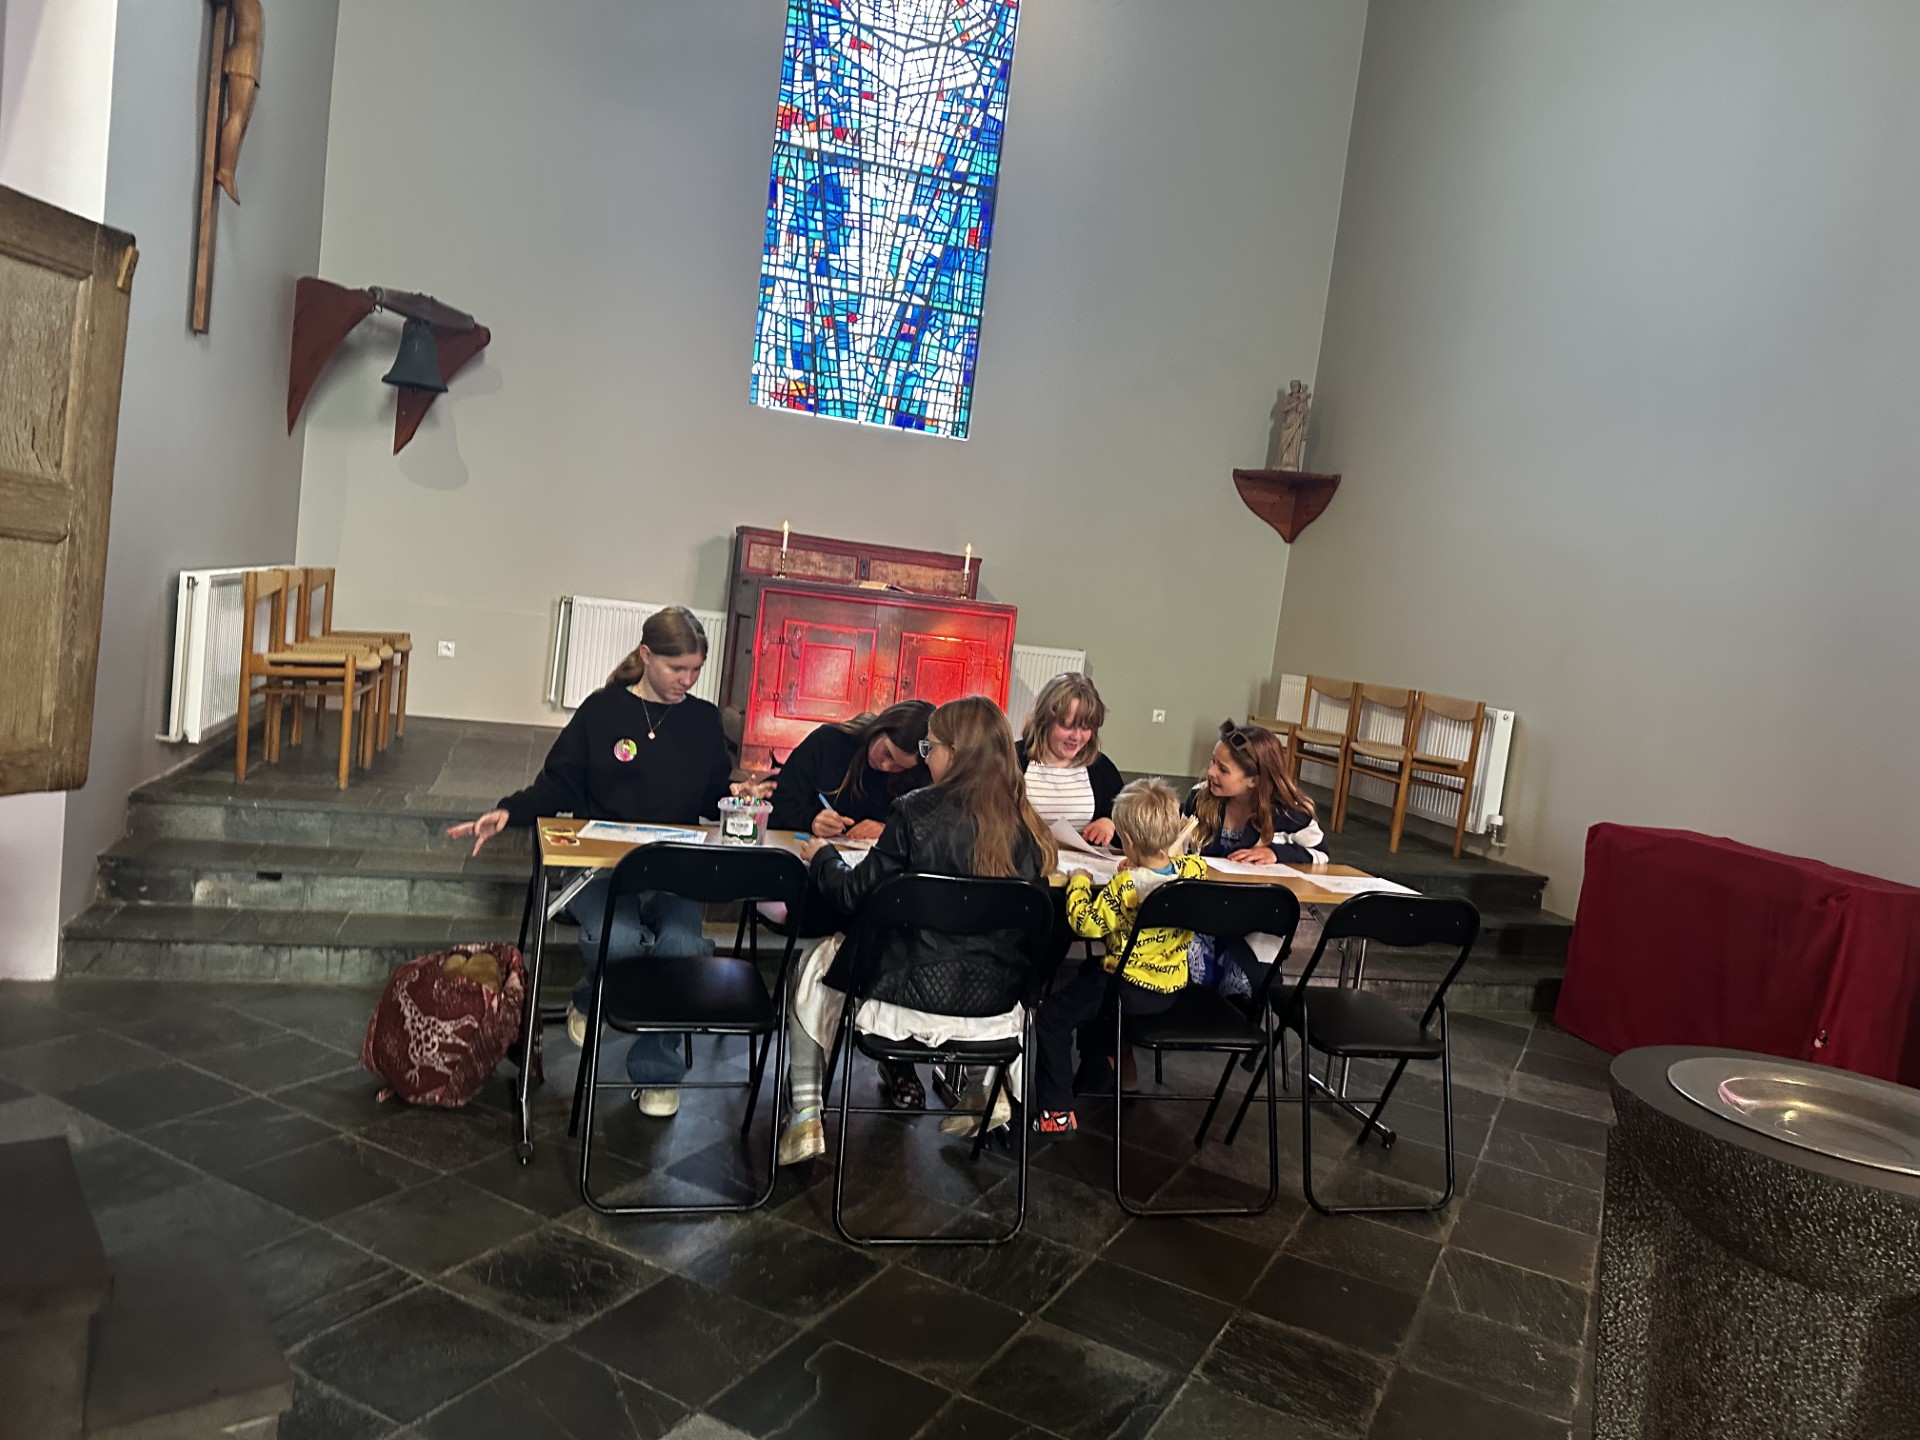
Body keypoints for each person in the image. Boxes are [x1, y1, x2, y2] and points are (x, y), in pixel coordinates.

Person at [445, 606, 737, 1119]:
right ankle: (590, 997)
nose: (687, 680)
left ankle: (658, 1070)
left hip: (670, 868)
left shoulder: (703, 720)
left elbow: (715, 795)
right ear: (646, 656)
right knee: (618, 939)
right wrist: (510, 811)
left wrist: (739, 800)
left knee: (682, 946)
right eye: (677, 668)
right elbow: (559, 783)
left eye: (696, 669)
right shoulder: (603, 711)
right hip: (601, 869)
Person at [778, 695, 1056, 1163]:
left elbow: (852, 895)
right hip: (991, 1007)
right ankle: (981, 1092)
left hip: (903, 998)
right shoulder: (1028, 829)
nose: (926, 759)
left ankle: (805, 1112)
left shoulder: (913, 812)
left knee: (813, 965)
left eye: (932, 748)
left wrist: (823, 857)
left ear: (956, 754)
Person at [1030, 779, 1208, 1134]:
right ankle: (1098, 1068)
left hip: (1125, 984)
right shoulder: (1192, 872)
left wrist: (1079, 882)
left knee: (1052, 1018)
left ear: (1126, 839)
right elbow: (1183, 864)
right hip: (1169, 987)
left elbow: (1085, 924)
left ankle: (1056, 1113)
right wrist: (1144, 862)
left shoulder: (1125, 886)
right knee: (1089, 973)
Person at [1183, 719, 1327, 1001]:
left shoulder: (1289, 814)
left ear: (1254, 780)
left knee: (1243, 988)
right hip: (1200, 919)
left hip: (1252, 929)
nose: (1211, 772)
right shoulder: (1200, 799)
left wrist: (1276, 853)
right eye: (1213, 762)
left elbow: (1320, 855)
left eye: (1223, 769)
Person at [767, 702, 933, 840]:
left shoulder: (915, 777)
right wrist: (811, 820)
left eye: (900, 767)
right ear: (880, 728)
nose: (886, 767)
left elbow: (928, 831)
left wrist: (890, 830)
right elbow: (777, 806)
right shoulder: (828, 742)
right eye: (887, 753)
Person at [1016, 673, 1125, 846]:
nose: (1076, 737)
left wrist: (1109, 823)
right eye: (1067, 726)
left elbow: (1127, 822)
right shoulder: (1013, 760)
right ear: (1045, 721)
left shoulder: (1101, 768)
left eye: (1085, 727)